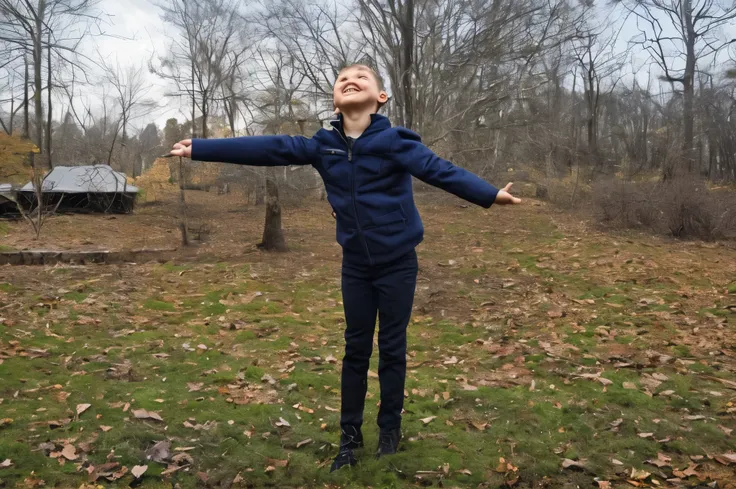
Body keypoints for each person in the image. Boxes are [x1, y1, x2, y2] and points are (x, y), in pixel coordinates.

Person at [170, 63, 521, 472]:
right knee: (356, 350)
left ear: (380, 97)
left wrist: (489, 194)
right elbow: (270, 148)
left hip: (398, 264)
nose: (350, 81)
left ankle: (389, 432)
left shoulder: (394, 141)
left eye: (361, 77)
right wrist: (201, 148)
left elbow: (438, 169)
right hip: (355, 265)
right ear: (336, 99)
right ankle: (349, 439)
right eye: (342, 79)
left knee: (392, 349)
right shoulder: (323, 145)